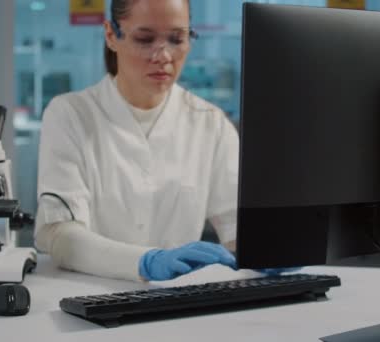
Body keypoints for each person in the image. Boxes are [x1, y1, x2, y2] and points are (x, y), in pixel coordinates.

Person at [35, 0, 293, 282]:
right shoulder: (70, 115)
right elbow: (59, 236)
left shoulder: (211, 123)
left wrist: (270, 250)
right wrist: (146, 262)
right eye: (145, 39)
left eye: (176, 39)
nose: (164, 55)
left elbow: (238, 229)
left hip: (175, 303)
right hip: (86, 301)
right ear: (111, 35)